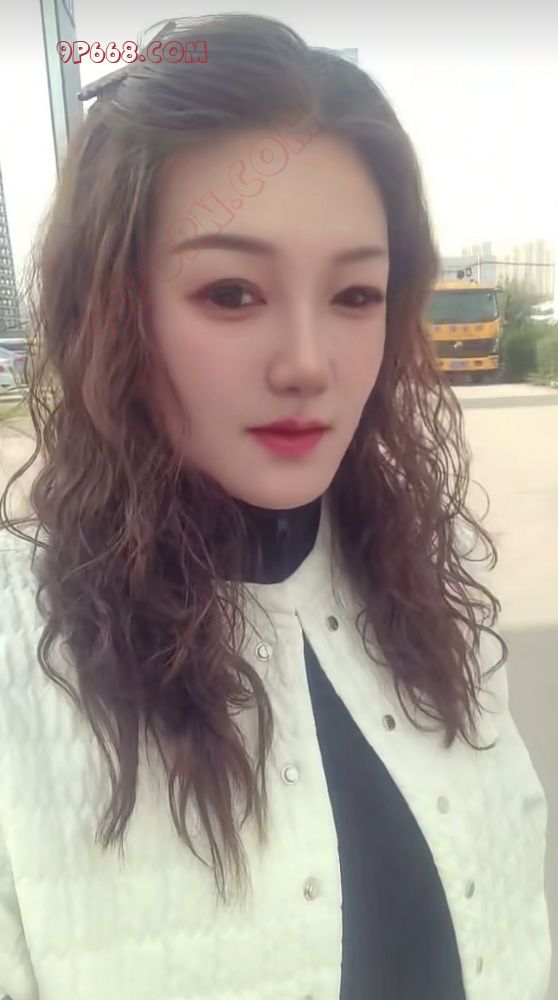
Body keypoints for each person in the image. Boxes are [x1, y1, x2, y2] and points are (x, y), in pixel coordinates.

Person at [0, 13, 550, 1000]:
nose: (307, 364)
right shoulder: (17, 647)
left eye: (354, 296)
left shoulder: (435, 587)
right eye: (231, 293)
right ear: (112, 311)